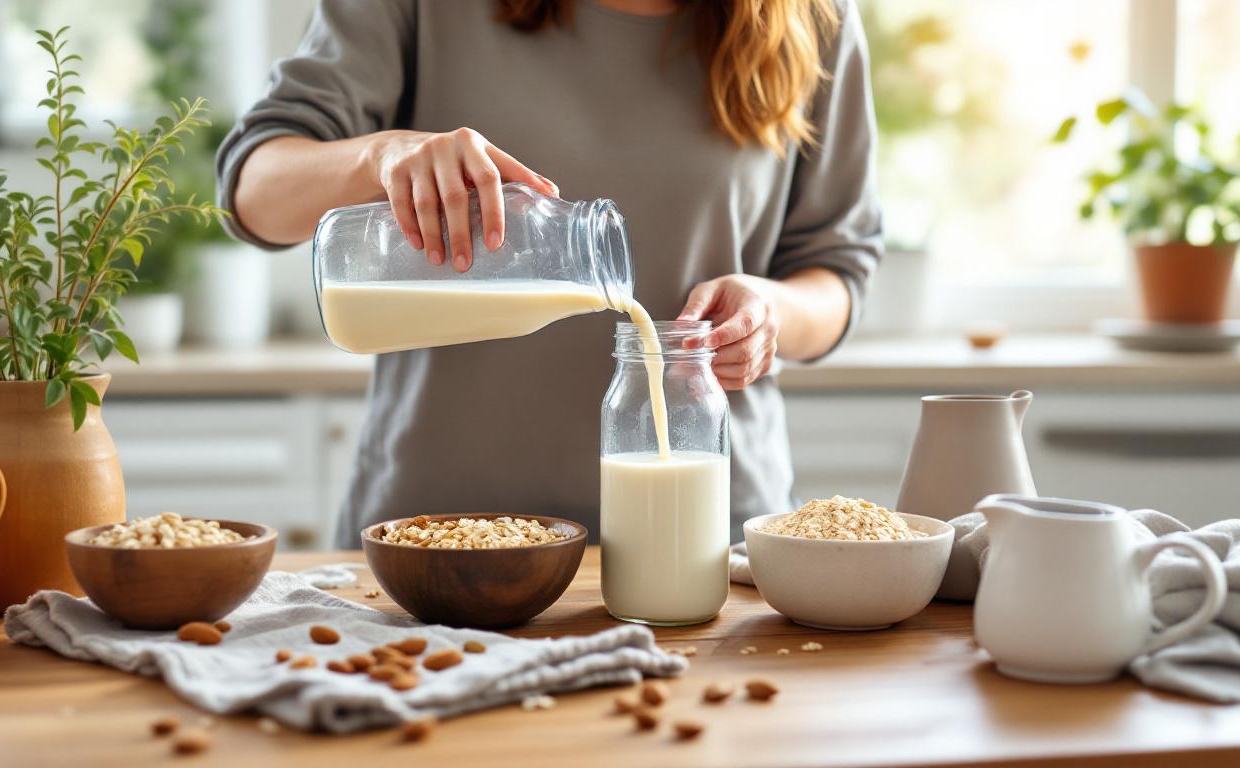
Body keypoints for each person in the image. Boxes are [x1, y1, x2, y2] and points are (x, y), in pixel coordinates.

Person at [217, 0, 882, 546]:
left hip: (706, 542)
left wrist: (772, 313)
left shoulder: (812, 19)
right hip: (439, 540)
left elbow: (837, 268)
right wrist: (381, 157)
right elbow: (253, 189)